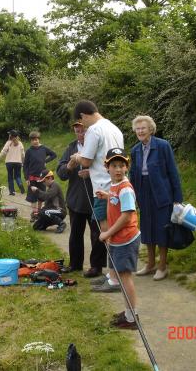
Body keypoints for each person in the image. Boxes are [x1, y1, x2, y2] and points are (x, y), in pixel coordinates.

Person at [70, 100, 123, 280]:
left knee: (107, 235)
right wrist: (90, 171)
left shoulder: (94, 130)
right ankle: (114, 275)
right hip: (117, 187)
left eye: (81, 122)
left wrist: (77, 156)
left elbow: (85, 159)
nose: (83, 126)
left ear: (83, 116)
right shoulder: (113, 127)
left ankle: (113, 278)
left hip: (102, 190)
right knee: (115, 232)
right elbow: (105, 159)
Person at [129, 115, 183, 281]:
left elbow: (172, 172)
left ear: (150, 129)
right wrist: (132, 196)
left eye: (143, 128)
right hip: (143, 192)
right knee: (147, 228)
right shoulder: (135, 150)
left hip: (161, 192)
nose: (140, 131)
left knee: (162, 229)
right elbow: (133, 174)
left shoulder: (163, 146)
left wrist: (177, 198)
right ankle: (150, 263)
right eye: (137, 129)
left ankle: (162, 266)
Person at [93, 148, 141, 329]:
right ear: (107, 167)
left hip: (126, 239)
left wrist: (108, 233)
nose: (118, 169)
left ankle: (131, 318)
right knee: (121, 277)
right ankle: (129, 312)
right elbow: (116, 201)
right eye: (114, 165)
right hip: (119, 239)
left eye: (122, 165)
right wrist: (107, 196)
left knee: (125, 277)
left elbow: (127, 215)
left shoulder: (125, 188)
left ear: (127, 167)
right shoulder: (114, 186)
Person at [56, 120, 105, 274]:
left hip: (96, 197)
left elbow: (109, 169)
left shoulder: (98, 146)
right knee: (75, 233)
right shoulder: (71, 147)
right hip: (75, 199)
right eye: (77, 131)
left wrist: (91, 173)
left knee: (97, 234)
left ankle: (96, 266)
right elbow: (61, 173)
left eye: (83, 131)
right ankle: (75, 264)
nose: (80, 134)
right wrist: (69, 166)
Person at [23, 131, 57, 222]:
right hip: (32, 178)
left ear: (39, 139)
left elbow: (54, 155)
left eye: (37, 139)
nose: (35, 141)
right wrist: (26, 178)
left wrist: (46, 161)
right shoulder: (29, 151)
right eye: (33, 140)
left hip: (42, 178)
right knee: (32, 196)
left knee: (41, 196)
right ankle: (34, 214)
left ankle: (38, 212)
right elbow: (25, 165)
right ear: (31, 141)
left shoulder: (44, 148)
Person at [0, 130, 25, 196]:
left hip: (9, 163)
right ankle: (21, 186)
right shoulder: (20, 143)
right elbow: (23, 154)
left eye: (9, 134)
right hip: (18, 162)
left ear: (10, 136)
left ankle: (12, 192)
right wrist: (23, 162)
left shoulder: (8, 143)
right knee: (17, 176)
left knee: (10, 177)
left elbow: (3, 152)